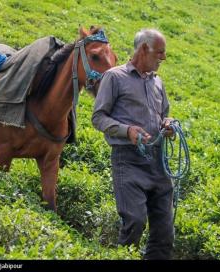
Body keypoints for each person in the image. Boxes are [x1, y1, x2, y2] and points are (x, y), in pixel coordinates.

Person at [92, 29, 174, 260]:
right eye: (160, 52)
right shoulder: (114, 77)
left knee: (165, 231)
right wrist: (127, 131)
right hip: (127, 160)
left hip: (158, 162)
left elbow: (164, 114)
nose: (163, 58)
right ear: (144, 49)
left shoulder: (158, 81)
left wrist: (167, 124)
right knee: (135, 221)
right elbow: (98, 117)